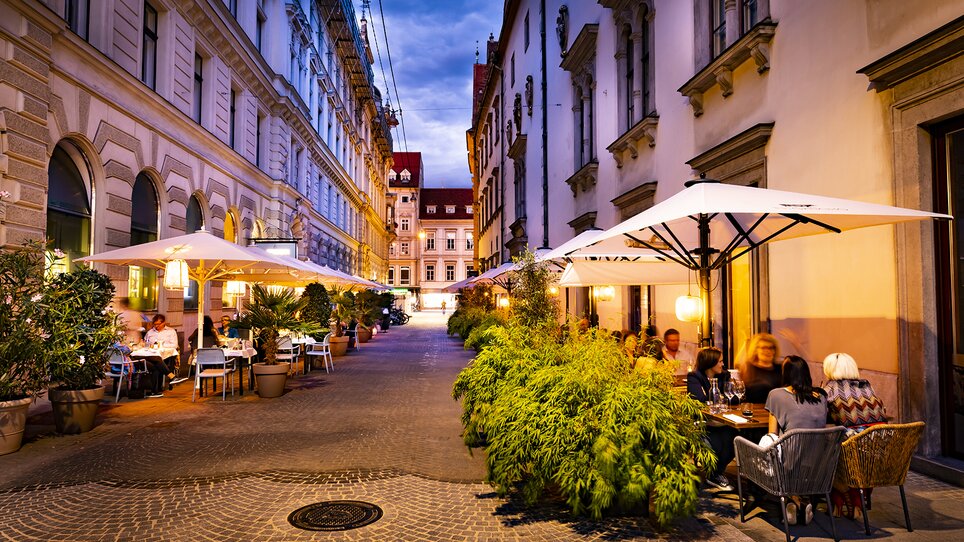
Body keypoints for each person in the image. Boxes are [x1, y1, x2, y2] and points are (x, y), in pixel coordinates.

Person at [763, 355, 828, 525]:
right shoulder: (821, 396)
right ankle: (802, 500)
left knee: (772, 447)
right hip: (820, 462)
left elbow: (772, 434)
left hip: (790, 463)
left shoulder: (776, 394)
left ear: (786, 374)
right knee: (800, 452)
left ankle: (793, 501)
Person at [822, 352, 888, 519]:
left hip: (855, 448)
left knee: (828, 454)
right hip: (880, 447)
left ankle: (838, 503)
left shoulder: (829, 389)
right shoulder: (866, 385)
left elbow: (820, 416)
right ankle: (858, 503)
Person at [687, 347, 736, 491]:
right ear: (710, 362)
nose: (722, 365)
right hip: (704, 422)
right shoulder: (695, 377)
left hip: (722, 421)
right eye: (720, 361)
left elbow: (732, 398)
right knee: (716, 442)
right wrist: (719, 398)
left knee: (734, 438)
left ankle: (716, 473)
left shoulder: (724, 375)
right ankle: (714, 474)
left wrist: (718, 399)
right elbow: (699, 400)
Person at [821, 353, 887, 434]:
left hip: (854, 443)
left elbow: (820, 418)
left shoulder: (830, 389)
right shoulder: (866, 386)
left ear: (828, 369)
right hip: (881, 439)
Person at [738, 333, 782, 404]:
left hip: (775, 411)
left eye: (771, 348)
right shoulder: (748, 367)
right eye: (763, 347)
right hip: (751, 410)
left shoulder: (780, 368)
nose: (767, 351)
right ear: (755, 350)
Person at [143, 314, 179, 397]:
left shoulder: (171, 331)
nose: (156, 326)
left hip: (165, 356)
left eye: (158, 324)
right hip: (149, 356)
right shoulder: (150, 332)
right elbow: (145, 342)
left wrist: (162, 345)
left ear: (164, 323)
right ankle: (172, 377)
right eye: (155, 324)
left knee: (156, 364)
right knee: (156, 362)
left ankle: (155, 391)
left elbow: (174, 345)